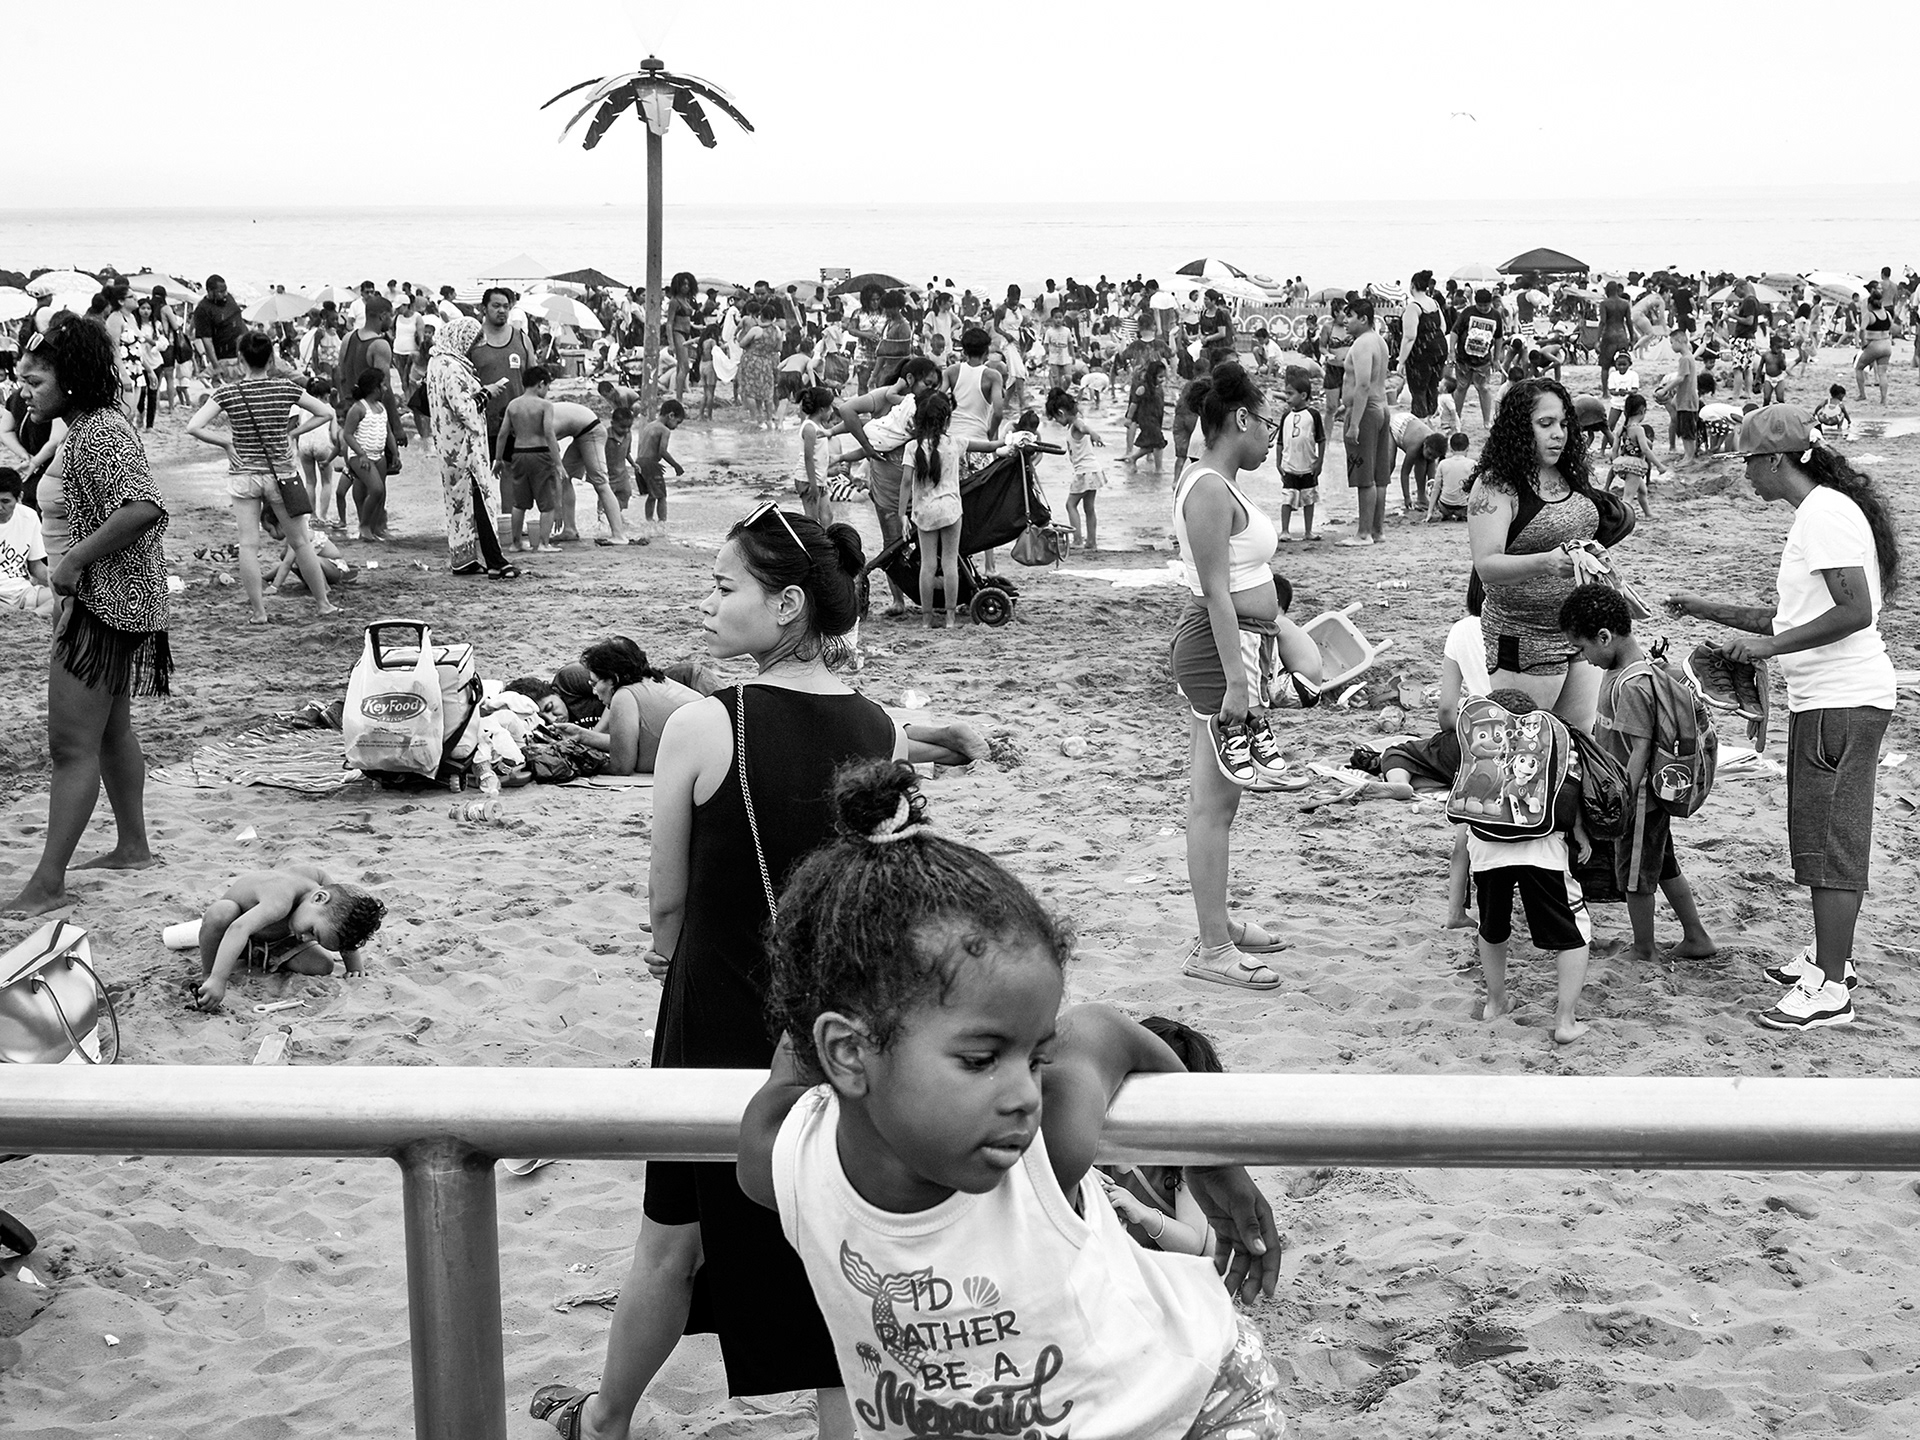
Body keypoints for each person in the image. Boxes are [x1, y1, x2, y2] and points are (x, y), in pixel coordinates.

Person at [530, 506, 983, 1440]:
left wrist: (666, 956)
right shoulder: (881, 727)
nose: (711, 598)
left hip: (716, 1014)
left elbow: (667, 901)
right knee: (826, 1239)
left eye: (725, 584)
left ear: (784, 605)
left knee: (672, 1235)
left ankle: (607, 1419)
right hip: (827, 1028)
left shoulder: (706, 723)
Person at [735, 762, 1287, 1440]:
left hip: (1193, 1403)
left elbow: (1105, 1031)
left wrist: (1209, 1163)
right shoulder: (784, 1163)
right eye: (980, 1059)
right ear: (848, 1054)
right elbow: (799, 1049)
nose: (1025, 1091)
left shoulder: (1045, 1149)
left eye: (1033, 1053)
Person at [1665, 406, 1900, 1031]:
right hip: (1828, 698)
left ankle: (1831, 989)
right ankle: (1831, 964)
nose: (1743, 472)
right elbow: (1793, 618)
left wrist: (1766, 651)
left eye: (1747, 460)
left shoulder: (1823, 515)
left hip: (1841, 699)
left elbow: (1856, 611)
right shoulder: (1820, 512)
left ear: (1775, 461)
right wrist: (1706, 609)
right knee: (1819, 837)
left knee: (1830, 844)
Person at [4, 316, 171, 917]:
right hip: (118, 599)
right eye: (21, 376)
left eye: (35, 377)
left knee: (71, 746)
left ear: (70, 379)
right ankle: (132, 847)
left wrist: (70, 564)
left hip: (103, 603)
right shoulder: (84, 429)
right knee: (109, 732)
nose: (24, 386)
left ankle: (47, 883)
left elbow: (143, 508)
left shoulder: (99, 434)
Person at [1168, 364, 1322, 990]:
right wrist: (1238, 683)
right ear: (1240, 420)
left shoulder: (1214, 480)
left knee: (1219, 800)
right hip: (1216, 651)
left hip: (1234, 650)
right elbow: (1215, 595)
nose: (1271, 436)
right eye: (1267, 423)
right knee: (1213, 803)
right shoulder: (1207, 487)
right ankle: (1211, 948)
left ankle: (1219, 923)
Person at [1559, 586, 1717, 969]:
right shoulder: (1627, 670)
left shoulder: (1630, 684)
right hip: (1644, 795)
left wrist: (1621, 802)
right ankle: (1696, 936)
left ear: (1604, 637)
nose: (1583, 658)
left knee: (1634, 874)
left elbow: (1640, 749)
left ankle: (1644, 947)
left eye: (1582, 648)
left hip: (1639, 796)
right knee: (1663, 864)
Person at [1466, 378, 1605, 730]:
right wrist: (1547, 561)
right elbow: (1487, 565)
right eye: (1545, 424)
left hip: (1578, 630)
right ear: (1518, 428)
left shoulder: (1569, 472)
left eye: (1563, 424)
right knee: (1523, 745)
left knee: (1577, 744)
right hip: (1523, 637)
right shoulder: (1497, 484)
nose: (1558, 434)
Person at [1467, 689, 1594, 1044]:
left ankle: (1496, 1002)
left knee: (1492, 926)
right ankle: (1565, 1021)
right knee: (1573, 931)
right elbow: (1570, 791)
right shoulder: (1550, 743)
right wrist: (1580, 832)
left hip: (1486, 847)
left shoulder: (1480, 744)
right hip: (1542, 848)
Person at [185, 331, 340, 619]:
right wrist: (293, 432)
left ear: (240, 358)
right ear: (271, 358)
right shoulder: (285, 388)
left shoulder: (228, 392)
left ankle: (259, 612)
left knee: (248, 544)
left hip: (243, 474)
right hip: (280, 473)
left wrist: (226, 442)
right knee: (301, 542)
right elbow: (326, 412)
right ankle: (322, 604)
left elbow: (193, 426)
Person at [1097, 1016, 1224, 1257]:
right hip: (1111, 1257)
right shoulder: (1097, 1126)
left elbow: (1193, 1242)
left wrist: (1144, 1213)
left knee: (1214, 1245)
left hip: (1167, 1260)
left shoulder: (1184, 1156)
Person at [190, 864, 386, 1011]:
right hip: (235, 931)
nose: (306, 938)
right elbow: (238, 928)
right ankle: (209, 974)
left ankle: (263, 958)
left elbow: (344, 923)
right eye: (312, 932)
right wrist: (218, 979)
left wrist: (354, 966)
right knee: (221, 912)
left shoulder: (323, 887)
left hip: (275, 939)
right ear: (318, 898)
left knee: (323, 965)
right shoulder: (280, 900)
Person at [835, 358, 945, 614]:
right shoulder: (885, 397)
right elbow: (847, 411)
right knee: (892, 540)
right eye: (927, 384)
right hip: (887, 482)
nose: (931, 390)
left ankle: (926, 591)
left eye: (934, 386)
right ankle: (898, 600)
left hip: (916, 480)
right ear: (910, 380)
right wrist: (867, 448)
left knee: (925, 536)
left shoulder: (923, 404)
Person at [425, 315, 515, 579]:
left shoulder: (436, 364)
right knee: (481, 502)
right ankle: (496, 561)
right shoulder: (451, 368)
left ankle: (462, 559)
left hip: (448, 446)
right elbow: (463, 408)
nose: (473, 348)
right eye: (472, 343)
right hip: (465, 448)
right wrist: (487, 393)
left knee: (458, 504)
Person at [903, 392, 997, 628]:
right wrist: (1011, 442)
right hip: (951, 510)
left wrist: (900, 514)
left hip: (925, 512)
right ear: (946, 421)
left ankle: (926, 620)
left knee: (928, 566)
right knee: (949, 564)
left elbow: (905, 482)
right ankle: (951, 619)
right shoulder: (955, 443)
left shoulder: (912, 447)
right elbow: (989, 446)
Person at [548, 637, 702, 775]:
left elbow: (621, 767)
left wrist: (582, 764)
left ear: (613, 679)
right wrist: (582, 736)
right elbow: (624, 746)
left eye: (595, 683)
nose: (594, 692)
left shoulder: (623, 696)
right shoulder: (654, 680)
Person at [1339, 297, 1393, 547]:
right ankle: (1377, 530)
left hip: (1367, 411)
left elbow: (1362, 384)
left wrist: (1354, 423)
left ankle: (1363, 534)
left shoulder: (1362, 343)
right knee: (1379, 475)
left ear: (1363, 318)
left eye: (1349, 316)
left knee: (1365, 475)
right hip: (1381, 406)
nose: (1344, 321)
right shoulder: (1379, 341)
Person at [495, 368, 562, 552]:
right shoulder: (545, 406)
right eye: (547, 387)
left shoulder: (513, 405)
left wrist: (498, 459)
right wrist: (558, 463)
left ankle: (515, 544)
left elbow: (502, 434)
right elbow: (549, 433)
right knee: (547, 503)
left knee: (519, 503)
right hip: (540, 454)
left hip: (518, 454)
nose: (546, 391)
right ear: (541, 383)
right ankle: (543, 543)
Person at [471, 287, 533, 457]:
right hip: (480, 424)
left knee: (513, 476)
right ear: (484, 308)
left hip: (517, 424)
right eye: (496, 306)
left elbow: (534, 381)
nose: (502, 311)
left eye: (506, 306)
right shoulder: (472, 340)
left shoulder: (521, 339)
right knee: (478, 479)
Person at [1046, 387, 1107, 552]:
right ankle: (1091, 542)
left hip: (1084, 472)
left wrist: (1093, 433)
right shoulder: (1076, 419)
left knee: (1070, 505)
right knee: (1089, 508)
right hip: (1094, 470)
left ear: (1061, 413)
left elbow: (1083, 428)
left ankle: (1078, 539)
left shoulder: (1075, 424)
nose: (1057, 422)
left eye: (1056, 418)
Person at [339, 369, 394, 543]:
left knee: (380, 493)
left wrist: (396, 453)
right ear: (374, 388)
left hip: (379, 456)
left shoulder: (381, 407)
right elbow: (347, 434)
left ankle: (375, 527)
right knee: (376, 489)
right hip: (360, 456)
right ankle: (364, 525)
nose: (386, 388)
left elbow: (388, 432)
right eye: (383, 385)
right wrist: (361, 454)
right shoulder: (358, 409)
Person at [1274, 370, 1324, 541]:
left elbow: (1321, 440)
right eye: (1286, 393)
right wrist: (1278, 462)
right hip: (1289, 465)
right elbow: (1280, 441)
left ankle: (1308, 531)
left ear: (1303, 395)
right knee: (1287, 497)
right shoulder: (1286, 416)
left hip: (1308, 464)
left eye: (1290, 394)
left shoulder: (1313, 415)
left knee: (1309, 497)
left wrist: (1320, 462)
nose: (1287, 398)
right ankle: (1285, 530)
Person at [0, 467, 53, 618]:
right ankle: (26, 616)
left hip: (23, 592)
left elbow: (36, 567)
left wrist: (60, 583)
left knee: (68, 599)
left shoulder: (28, 517)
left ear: (19, 497)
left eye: (5, 501)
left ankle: (28, 617)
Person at [1449, 287, 1504, 429]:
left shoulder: (1496, 315)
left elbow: (1498, 338)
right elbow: (1455, 331)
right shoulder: (1468, 312)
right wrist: (1451, 352)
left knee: (1484, 388)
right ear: (1476, 303)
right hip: (1463, 357)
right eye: (1481, 306)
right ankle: (1457, 418)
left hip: (1483, 359)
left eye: (1486, 305)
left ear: (1491, 303)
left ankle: (1487, 421)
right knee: (1461, 387)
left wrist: (1497, 358)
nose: (1484, 308)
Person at [1398, 270, 1448, 418]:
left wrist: (1401, 361)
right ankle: (1432, 416)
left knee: (1418, 388)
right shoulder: (1435, 303)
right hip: (1439, 348)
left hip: (1422, 351)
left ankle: (1420, 419)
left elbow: (1409, 337)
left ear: (1412, 286)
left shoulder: (1413, 307)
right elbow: (1443, 327)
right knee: (1433, 385)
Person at [635, 399, 686, 534]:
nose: (676, 426)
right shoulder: (664, 430)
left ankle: (649, 521)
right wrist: (676, 465)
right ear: (671, 416)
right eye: (677, 422)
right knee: (662, 496)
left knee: (652, 495)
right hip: (650, 464)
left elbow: (641, 447)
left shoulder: (649, 426)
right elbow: (662, 451)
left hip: (639, 462)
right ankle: (662, 524)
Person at [191, 274, 247, 379]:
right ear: (209, 291)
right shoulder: (203, 309)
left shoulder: (229, 297)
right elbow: (207, 340)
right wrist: (216, 366)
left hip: (244, 352)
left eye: (225, 290)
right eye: (220, 292)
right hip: (226, 357)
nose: (225, 294)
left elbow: (238, 318)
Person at [1119, 357, 1167, 470]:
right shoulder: (1143, 388)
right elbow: (1134, 404)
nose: (1162, 380)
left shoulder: (1158, 388)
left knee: (1151, 445)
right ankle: (1158, 469)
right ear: (1152, 376)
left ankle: (1133, 458)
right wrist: (1129, 418)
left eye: (1163, 377)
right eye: (1160, 377)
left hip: (1156, 419)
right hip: (1147, 419)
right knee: (1159, 443)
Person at [1855, 284, 1894, 406]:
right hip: (1887, 344)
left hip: (1875, 344)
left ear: (1870, 304)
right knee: (1882, 373)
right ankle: (1884, 399)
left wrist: (1863, 342)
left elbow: (1862, 330)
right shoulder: (1887, 314)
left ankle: (1862, 394)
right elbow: (1892, 327)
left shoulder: (1870, 315)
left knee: (1859, 367)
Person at [1597, 282, 1634, 399]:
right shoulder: (1625, 303)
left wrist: (1597, 339)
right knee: (1622, 363)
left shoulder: (1604, 303)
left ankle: (1605, 393)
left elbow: (1603, 322)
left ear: (1607, 290)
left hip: (1609, 336)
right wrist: (1632, 338)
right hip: (1622, 336)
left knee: (1605, 366)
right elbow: (1629, 322)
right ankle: (1624, 389)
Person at [1429, 430, 1474, 521]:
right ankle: (1463, 515)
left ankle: (1444, 514)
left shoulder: (1443, 463)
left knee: (1431, 484)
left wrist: (1429, 512)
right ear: (1467, 448)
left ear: (1450, 448)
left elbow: (1436, 488)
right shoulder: (1472, 464)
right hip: (1463, 508)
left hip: (1445, 507)